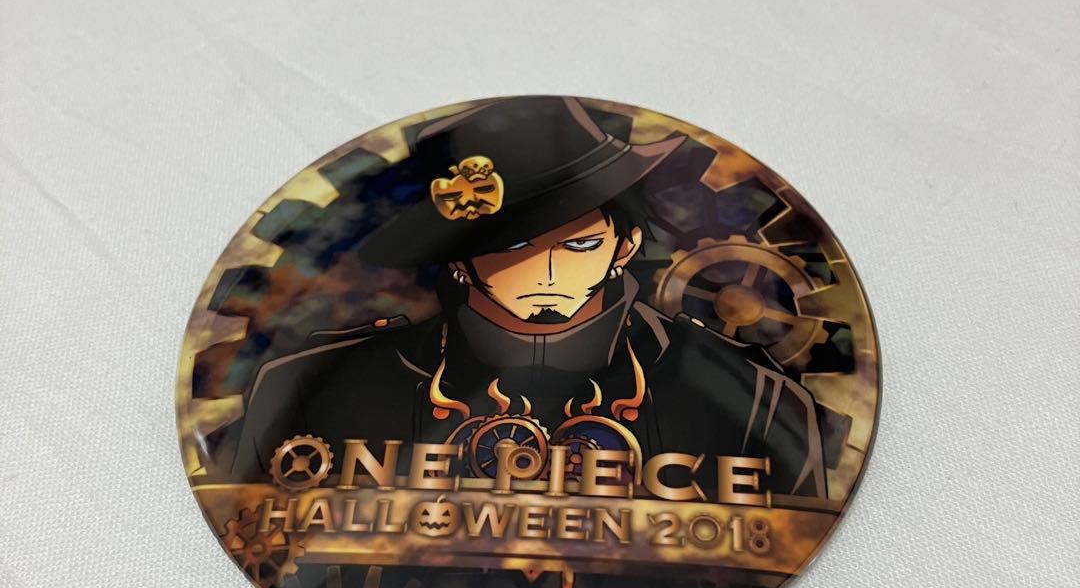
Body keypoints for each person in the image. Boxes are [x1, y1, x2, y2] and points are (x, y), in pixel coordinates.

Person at [232, 95, 826, 502]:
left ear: (625, 247)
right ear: (458, 258)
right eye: (510, 248)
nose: (546, 272)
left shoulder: (759, 403)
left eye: (580, 244)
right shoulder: (304, 387)